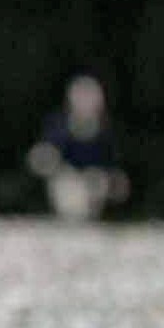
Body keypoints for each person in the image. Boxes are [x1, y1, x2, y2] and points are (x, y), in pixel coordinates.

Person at [28, 75, 128, 221]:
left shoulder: (105, 131)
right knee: (66, 182)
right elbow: (42, 157)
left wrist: (114, 181)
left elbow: (113, 168)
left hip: (93, 183)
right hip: (67, 181)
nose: (86, 102)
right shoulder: (59, 126)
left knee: (97, 179)